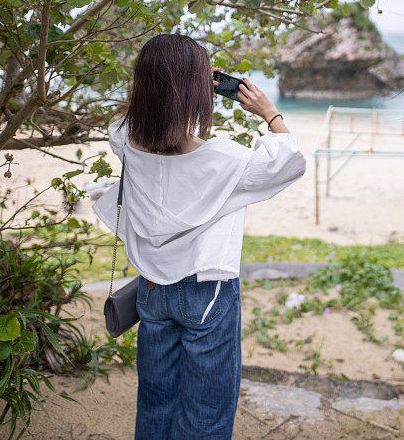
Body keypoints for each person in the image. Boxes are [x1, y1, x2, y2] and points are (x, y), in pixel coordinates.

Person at [91, 34, 306, 439]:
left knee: (156, 401)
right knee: (206, 410)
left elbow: (133, 118)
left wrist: (173, 87)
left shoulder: (124, 139)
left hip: (152, 290)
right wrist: (269, 113)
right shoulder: (223, 159)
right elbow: (289, 160)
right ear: (196, 88)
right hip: (206, 291)